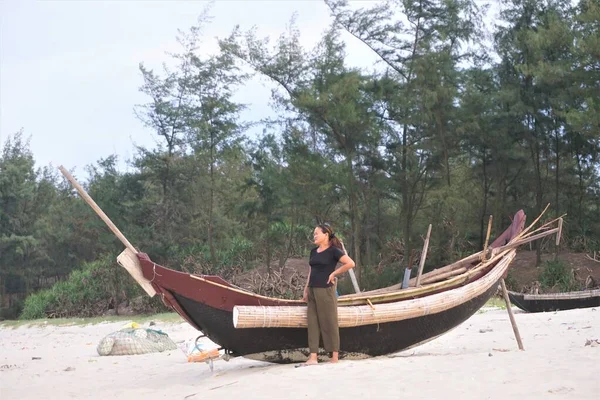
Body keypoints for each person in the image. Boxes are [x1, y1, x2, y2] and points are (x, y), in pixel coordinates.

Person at [299, 223, 355, 366]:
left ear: (326, 235)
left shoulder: (334, 251)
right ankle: (313, 357)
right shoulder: (313, 252)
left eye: (317, 233)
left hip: (326, 290)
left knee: (329, 322)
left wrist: (334, 273)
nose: (314, 236)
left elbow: (350, 263)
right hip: (312, 289)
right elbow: (311, 271)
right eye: (314, 234)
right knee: (312, 323)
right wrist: (306, 289)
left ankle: (334, 356)